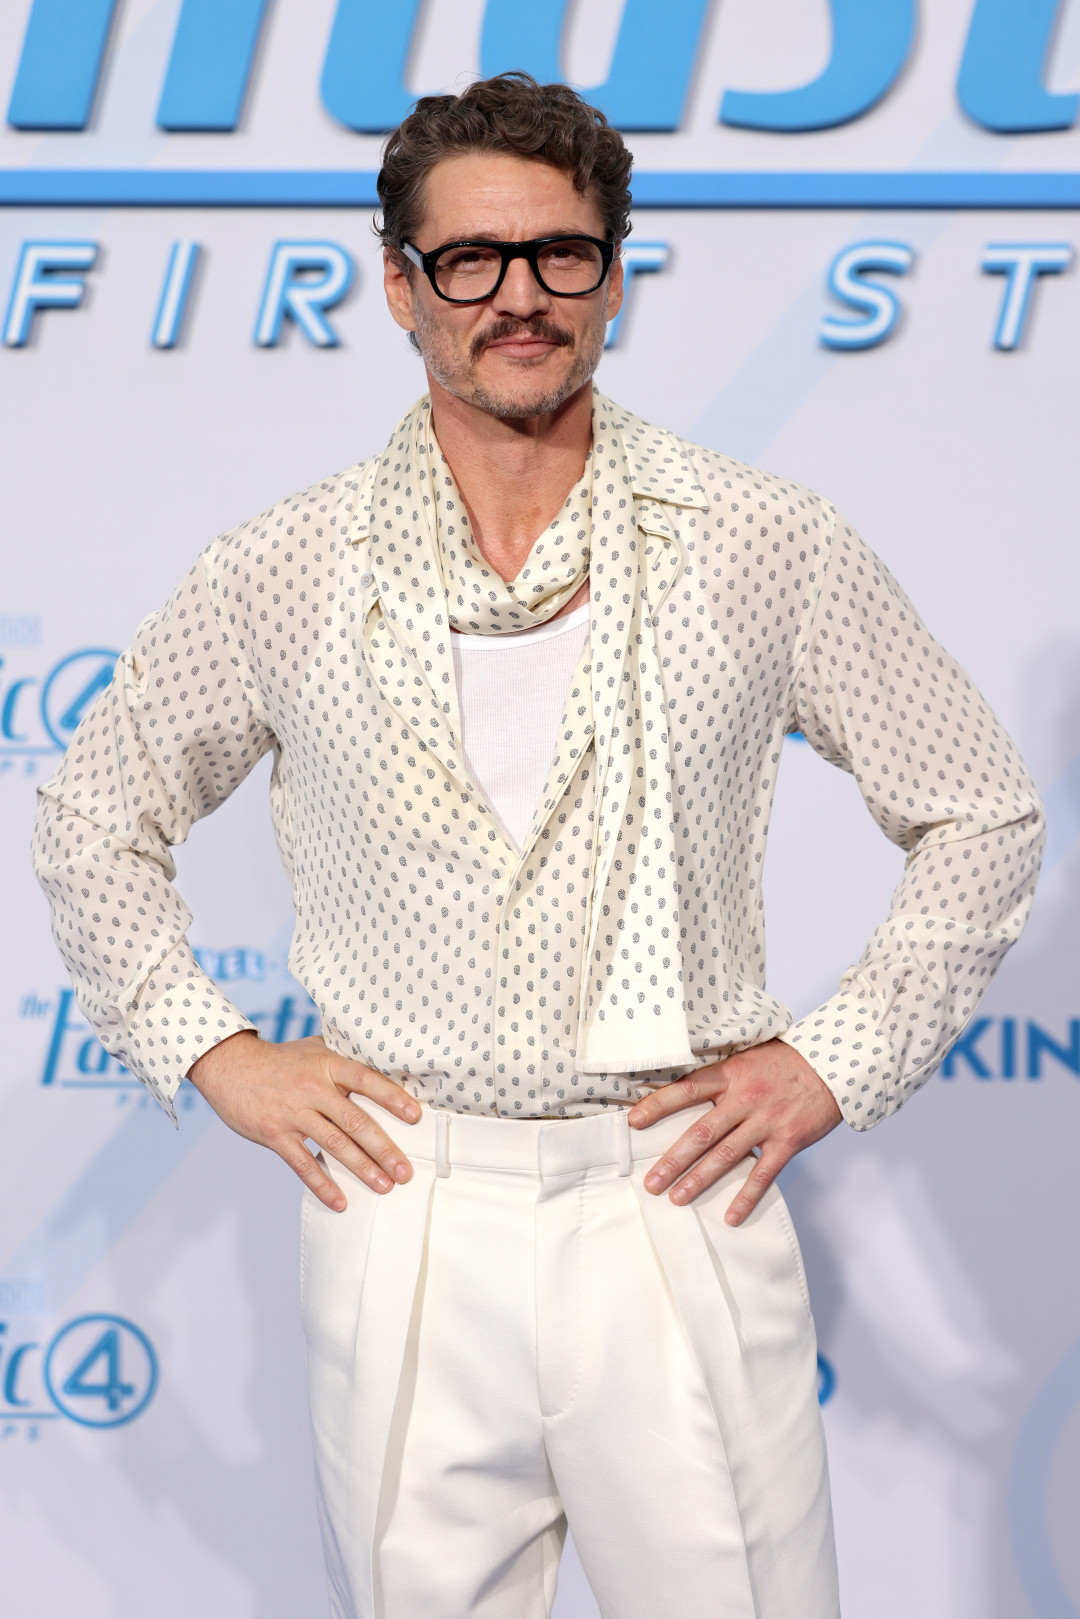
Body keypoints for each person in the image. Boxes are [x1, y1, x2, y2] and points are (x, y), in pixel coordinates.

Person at [33, 72, 1043, 1619]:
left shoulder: (763, 541)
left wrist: (836, 1058)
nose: (519, 297)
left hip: (675, 1197)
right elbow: (93, 813)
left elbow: (981, 808)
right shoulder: (284, 568)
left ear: (613, 277)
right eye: (471, 260)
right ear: (401, 287)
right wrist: (215, 1053)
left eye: (561, 254)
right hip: (402, 1204)